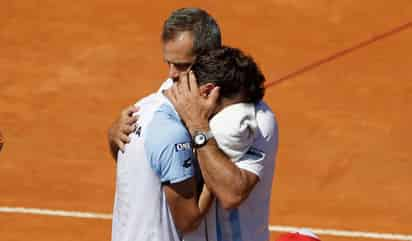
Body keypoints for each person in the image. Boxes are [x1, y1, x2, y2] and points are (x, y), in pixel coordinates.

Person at [109, 8, 279, 241]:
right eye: (169, 63)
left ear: (209, 58)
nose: (172, 75)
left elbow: (231, 193)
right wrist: (115, 136)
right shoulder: (162, 100)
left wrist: (198, 127)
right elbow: (146, 156)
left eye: (182, 65)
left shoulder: (255, 120)